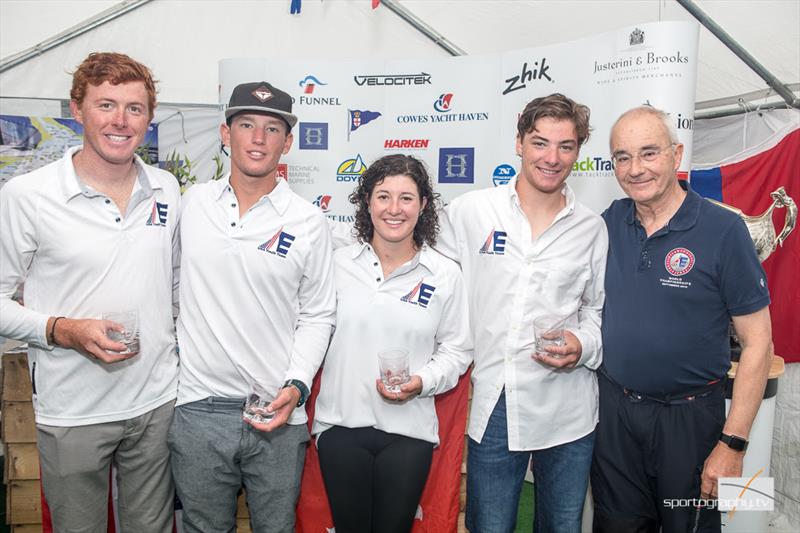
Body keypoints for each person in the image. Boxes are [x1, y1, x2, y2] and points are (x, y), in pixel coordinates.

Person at [0, 52, 179, 532]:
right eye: (106, 105)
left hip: (156, 403)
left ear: (149, 117)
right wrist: (63, 329)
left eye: (134, 108)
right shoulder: (28, 196)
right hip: (73, 409)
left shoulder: (166, 188)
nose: (120, 121)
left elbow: (175, 286)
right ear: (77, 110)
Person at [591, 105, 773, 533]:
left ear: (677, 154)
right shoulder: (609, 222)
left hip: (690, 423)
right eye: (622, 157)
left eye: (649, 153)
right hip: (615, 415)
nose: (635, 169)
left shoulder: (724, 230)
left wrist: (733, 444)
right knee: (617, 525)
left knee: (690, 526)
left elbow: (759, 342)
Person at [168, 81, 336, 533]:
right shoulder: (192, 205)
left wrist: (297, 386)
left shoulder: (308, 221)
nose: (258, 138)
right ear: (226, 134)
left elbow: (319, 313)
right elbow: (168, 287)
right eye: (246, 125)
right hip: (199, 409)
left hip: (277, 414)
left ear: (288, 141)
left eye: (272, 128)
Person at [437, 93, 608, 533]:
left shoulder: (591, 228)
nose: (551, 158)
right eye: (539, 143)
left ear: (578, 152)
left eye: (565, 146)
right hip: (494, 398)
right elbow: (433, 283)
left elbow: (597, 311)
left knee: (561, 526)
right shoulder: (470, 211)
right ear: (518, 143)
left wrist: (582, 344)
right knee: (489, 526)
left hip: (567, 409)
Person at [312, 154, 472, 532]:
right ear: (367, 202)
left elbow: (457, 350)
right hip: (340, 427)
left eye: (406, 198)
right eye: (383, 196)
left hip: (409, 432)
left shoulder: (444, 273)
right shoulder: (335, 264)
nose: (394, 209)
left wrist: (422, 381)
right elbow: (309, 327)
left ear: (424, 205)